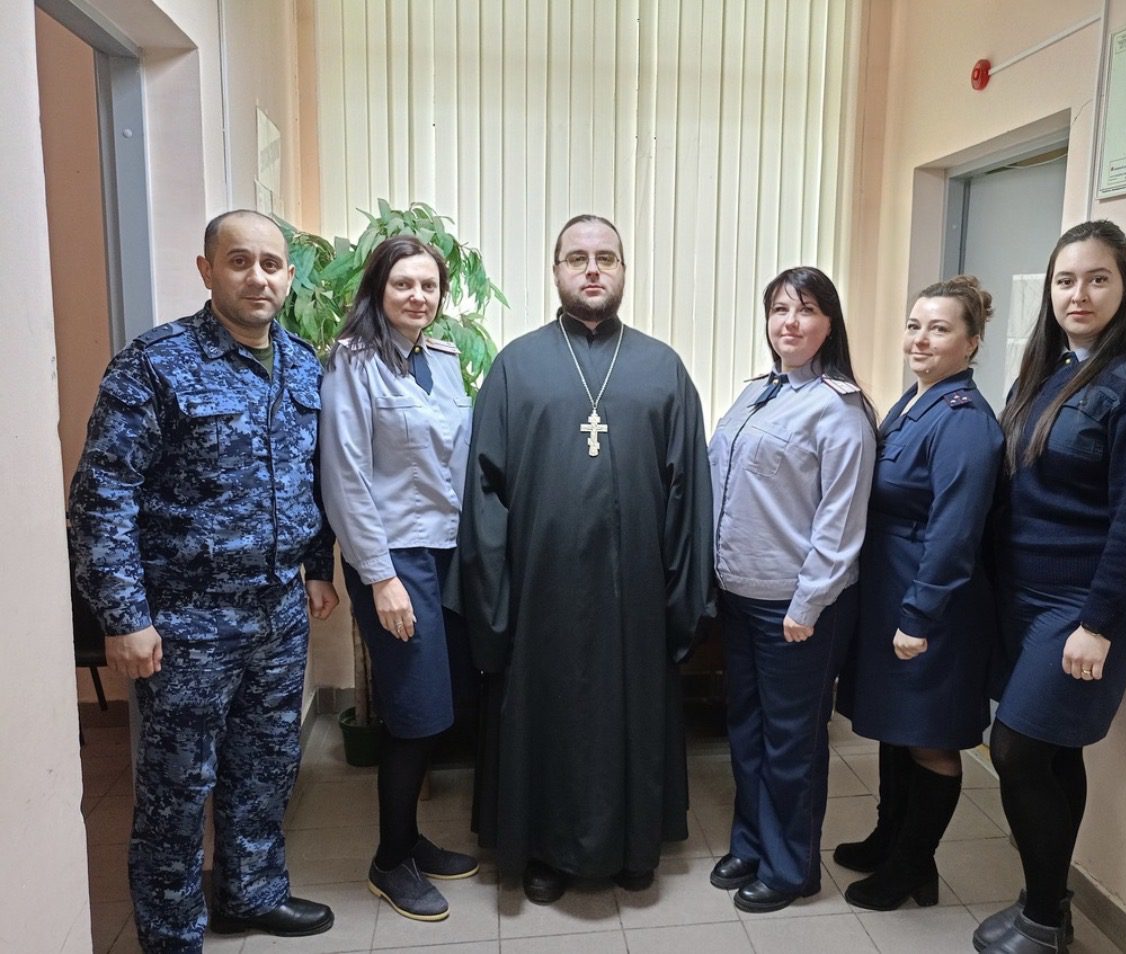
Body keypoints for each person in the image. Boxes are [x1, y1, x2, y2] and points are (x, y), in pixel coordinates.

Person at [68, 210, 340, 953]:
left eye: (272, 264)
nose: (258, 277)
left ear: (290, 277)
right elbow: (102, 496)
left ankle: (251, 895)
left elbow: (313, 477)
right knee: (177, 787)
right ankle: (171, 933)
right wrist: (124, 617)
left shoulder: (302, 364)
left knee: (266, 765)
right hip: (186, 620)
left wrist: (317, 567)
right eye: (239, 261)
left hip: (278, 612)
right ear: (207, 270)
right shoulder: (155, 364)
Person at [460, 214, 715, 904]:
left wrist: (681, 595)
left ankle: (634, 845)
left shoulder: (663, 368)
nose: (593, 268)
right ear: (556, 271)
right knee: (548, 716)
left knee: (630, 715)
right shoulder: (515, 366)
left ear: (625, 271)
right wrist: (495, 597)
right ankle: (545, 851)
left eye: (607, 257)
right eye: (577, 257)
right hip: (539, 591)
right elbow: (483, 492)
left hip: (637, 591)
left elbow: (690, 492)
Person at [973, 221, 1126, 954]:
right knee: (1051, 748)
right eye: (1066, 280)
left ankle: (1043, 918)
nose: (1080, 294)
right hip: (1029, 594)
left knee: (1015, 749)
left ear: (1125, 288)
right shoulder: (1046, 371)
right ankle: (1051, 908)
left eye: (1098, 279)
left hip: (1087, 603)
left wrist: (1098, 623)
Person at [706, 266, 876, 913]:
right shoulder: (756, 394)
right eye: (779, 309)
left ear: (829, 324)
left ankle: (790, 867)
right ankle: (752, 844)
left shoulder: (839, 409)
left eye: (805, 310)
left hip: (795, 606)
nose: (790, 322)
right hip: (740, 594)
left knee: (792, 740)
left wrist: (808, 603)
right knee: (746, 729)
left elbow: (840, 521)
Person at [319, 236, 479, 922]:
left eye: (429, 285)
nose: (418, 296)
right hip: (393, 558)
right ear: (377, 289)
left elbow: (460, 460)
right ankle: (389, 860)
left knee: (439, 706)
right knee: (414, 713)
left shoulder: (442, 360)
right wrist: (380, 576)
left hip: (446, 553)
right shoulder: (352, 362)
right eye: (403, 284)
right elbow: (345, 475)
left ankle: (410, 840)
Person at [834, 275, 1004, 911]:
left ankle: (912, 867)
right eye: (914, 326)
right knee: (897, 726)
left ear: (972, 342)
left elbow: (955, 533)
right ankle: (890, 840)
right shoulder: (915, 401)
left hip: (931, 604)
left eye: (939, 329)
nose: (920, 339)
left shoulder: (964, 422)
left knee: (930, 736)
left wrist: (920, 615)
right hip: (891, 590)